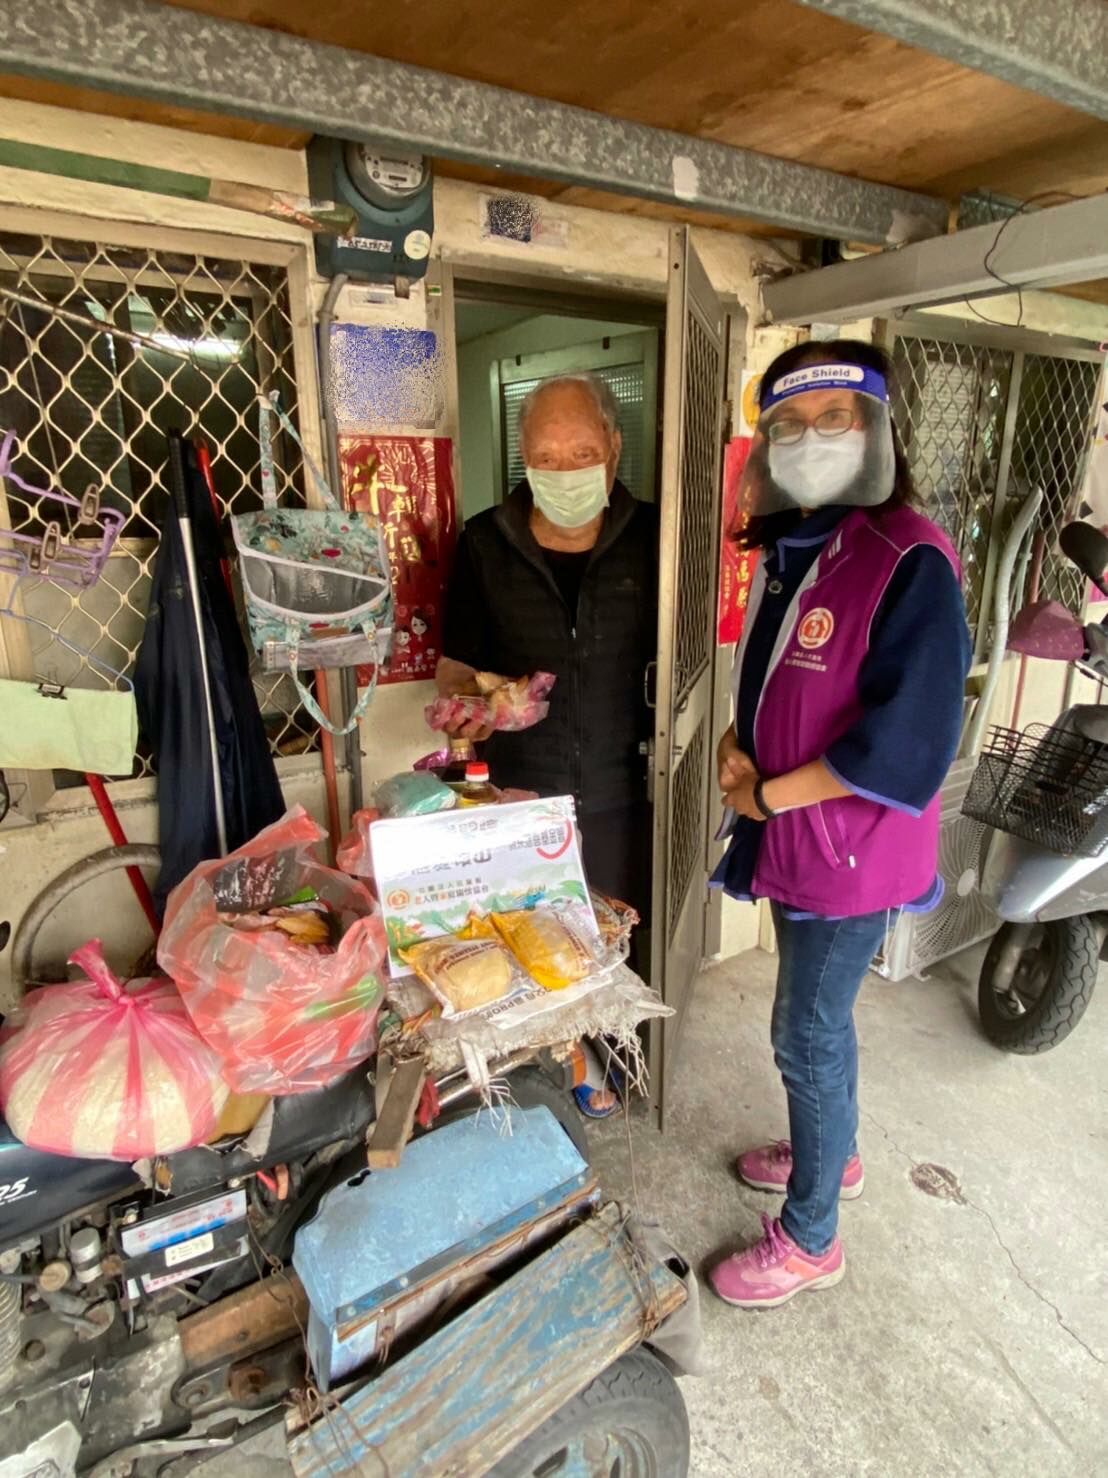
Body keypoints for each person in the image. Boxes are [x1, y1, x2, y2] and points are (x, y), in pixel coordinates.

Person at [707, 339, 971, 1309]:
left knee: (806, 1033)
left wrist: (768, 795)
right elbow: (781, 671)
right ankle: (836, 1152)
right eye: (788, 424)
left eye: (835, 418)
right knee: (815, 1022)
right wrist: (743, 742)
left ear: (876, 431)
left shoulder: (907, 557)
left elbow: (911, 741)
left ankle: (812, 1235)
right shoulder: (802, 539)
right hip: (796, 833)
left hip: (843, 847)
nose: (810, 440)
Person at [438, 373, 658, 1115]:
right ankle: (574, 1064)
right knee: (538, 945)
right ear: (521, 458)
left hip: (629, 788)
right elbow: (457, 665)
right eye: (546, 455)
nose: (564, 471)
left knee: (621, 933)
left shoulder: (657, 538)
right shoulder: (484, 541)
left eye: (583, 451)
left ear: (614, 449)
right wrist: (471, 705)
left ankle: (630, 1053)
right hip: (523, 793)